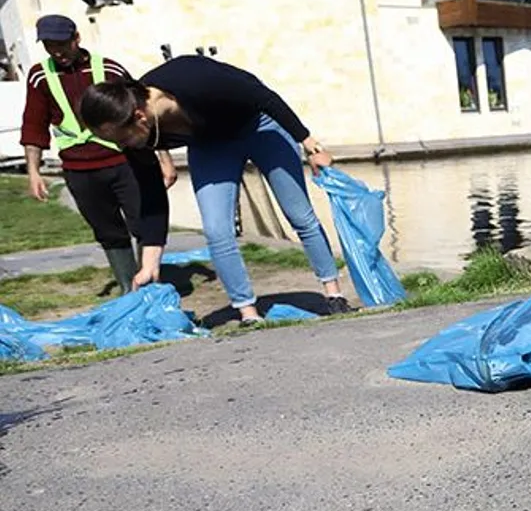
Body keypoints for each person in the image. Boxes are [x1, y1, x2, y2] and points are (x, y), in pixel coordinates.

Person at [78, 54, 353, 326]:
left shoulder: (194, 78)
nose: (122, 147)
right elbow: (151, 194)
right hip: (211, 145)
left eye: (122, 139)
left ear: (140, 117)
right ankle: (248, 313)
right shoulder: (136, 134)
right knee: (216, 229)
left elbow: (264, 97)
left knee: (299, 215)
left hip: (260, 125)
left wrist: (310, 145)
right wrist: (150, 262)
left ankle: (333, 295)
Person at [19, 14, 174, 295]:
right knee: (108, 231)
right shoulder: (40, 76)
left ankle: (150, 284)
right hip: (80, 168)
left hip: (125, 162)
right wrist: (33, 171)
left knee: (143, 221)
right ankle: (130, 289)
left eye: (62, 44)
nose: (57, 51)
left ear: (76, 38)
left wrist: (165, 159)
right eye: (49, 45)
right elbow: (33, 124)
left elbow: (145, 115)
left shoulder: (110, 69)